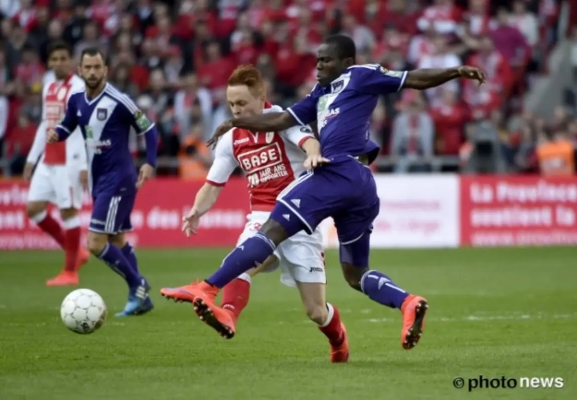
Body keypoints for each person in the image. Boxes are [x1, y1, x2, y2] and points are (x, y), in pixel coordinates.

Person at [163, 35, 486, 350]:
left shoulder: (360, 75)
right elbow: (281, 119)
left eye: (326, 60)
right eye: (317, 60)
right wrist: (236, 124)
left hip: (338, 169)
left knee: (270, 228)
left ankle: (207, 287)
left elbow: (412, 78)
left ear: (346, 61)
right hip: (361, 184)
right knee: (355, 274)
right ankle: (407, 302)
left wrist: (455, 71)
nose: (318, 66)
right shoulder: (320, 94)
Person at [161, 65, 349, 362]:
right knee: (241, 261)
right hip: (262, 217)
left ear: (261, 98)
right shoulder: (231, 138)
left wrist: (313, 153)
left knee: (315, 310)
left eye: (242, 103)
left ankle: (338, 339)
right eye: (231, 104)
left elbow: (309, 141)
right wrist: (196, 210)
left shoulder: (283, 119)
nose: (236, 110)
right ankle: (227, 314)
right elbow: (212, 185)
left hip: (298, 218)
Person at [46, 47, 158, 317]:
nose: (93, 72)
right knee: (117, 238)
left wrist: (150, 162)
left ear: (105, 70)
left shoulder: (119, 101)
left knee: (95, 243)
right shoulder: (76, 100)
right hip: (98, 181)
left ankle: (138, 284)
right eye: (88, 67)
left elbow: (150, 129)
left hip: (118, 178)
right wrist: (57, 133)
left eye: (98, 67)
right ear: (80, 70)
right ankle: (141, 299)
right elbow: (68, 125)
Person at [24, 41, 90, 286]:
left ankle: (70, 271)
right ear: (49, 63)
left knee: (68, 211)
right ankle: (76, 252)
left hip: (69, 159)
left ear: (71, 61)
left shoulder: (79, 88)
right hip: (48, 158)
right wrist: (32, 159)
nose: (59, 63)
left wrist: (83, 165)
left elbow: (84, 127)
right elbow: (45, 123)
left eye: (63, 58)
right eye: (55, 59)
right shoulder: (48, 86)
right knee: (33, 208)